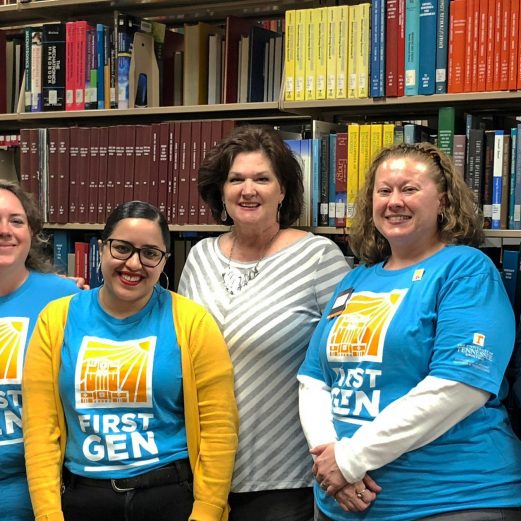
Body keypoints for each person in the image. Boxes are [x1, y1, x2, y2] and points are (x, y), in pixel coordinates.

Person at [298, 142, 521, 521]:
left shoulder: (466, 270)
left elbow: (458, 387)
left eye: (410, 189)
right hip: (341, 498)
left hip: (449, 498)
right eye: (384, 191)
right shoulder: (355, 279)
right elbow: (314, 380)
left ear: (444, 201)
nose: (394, 201)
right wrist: (330, 458)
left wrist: (351, 459)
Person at [22, 201, 239, 521]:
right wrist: (47, 513)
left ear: (164, 260)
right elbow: (41, 429)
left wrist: (207, 511)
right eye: (122, 248)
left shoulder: (192, 322)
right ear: (102, 247)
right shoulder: (56, 319)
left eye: (150, 253)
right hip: (83, 500)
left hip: (171, 497)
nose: (134, 263)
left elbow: (218, 428)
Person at [178, 125, 349, 521]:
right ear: (221, 191)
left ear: (283, 190)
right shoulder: (200, 255)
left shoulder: (318, 258)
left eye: (261, 178)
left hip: (285, 477)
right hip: (200, 473)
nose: (247, 189)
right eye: (235, 179)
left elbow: (344, 364)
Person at [0, 179, 81, 521]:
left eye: (16, 221)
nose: (5, 231)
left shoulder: (65, 300)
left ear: (31, 232)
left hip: (32, 487)